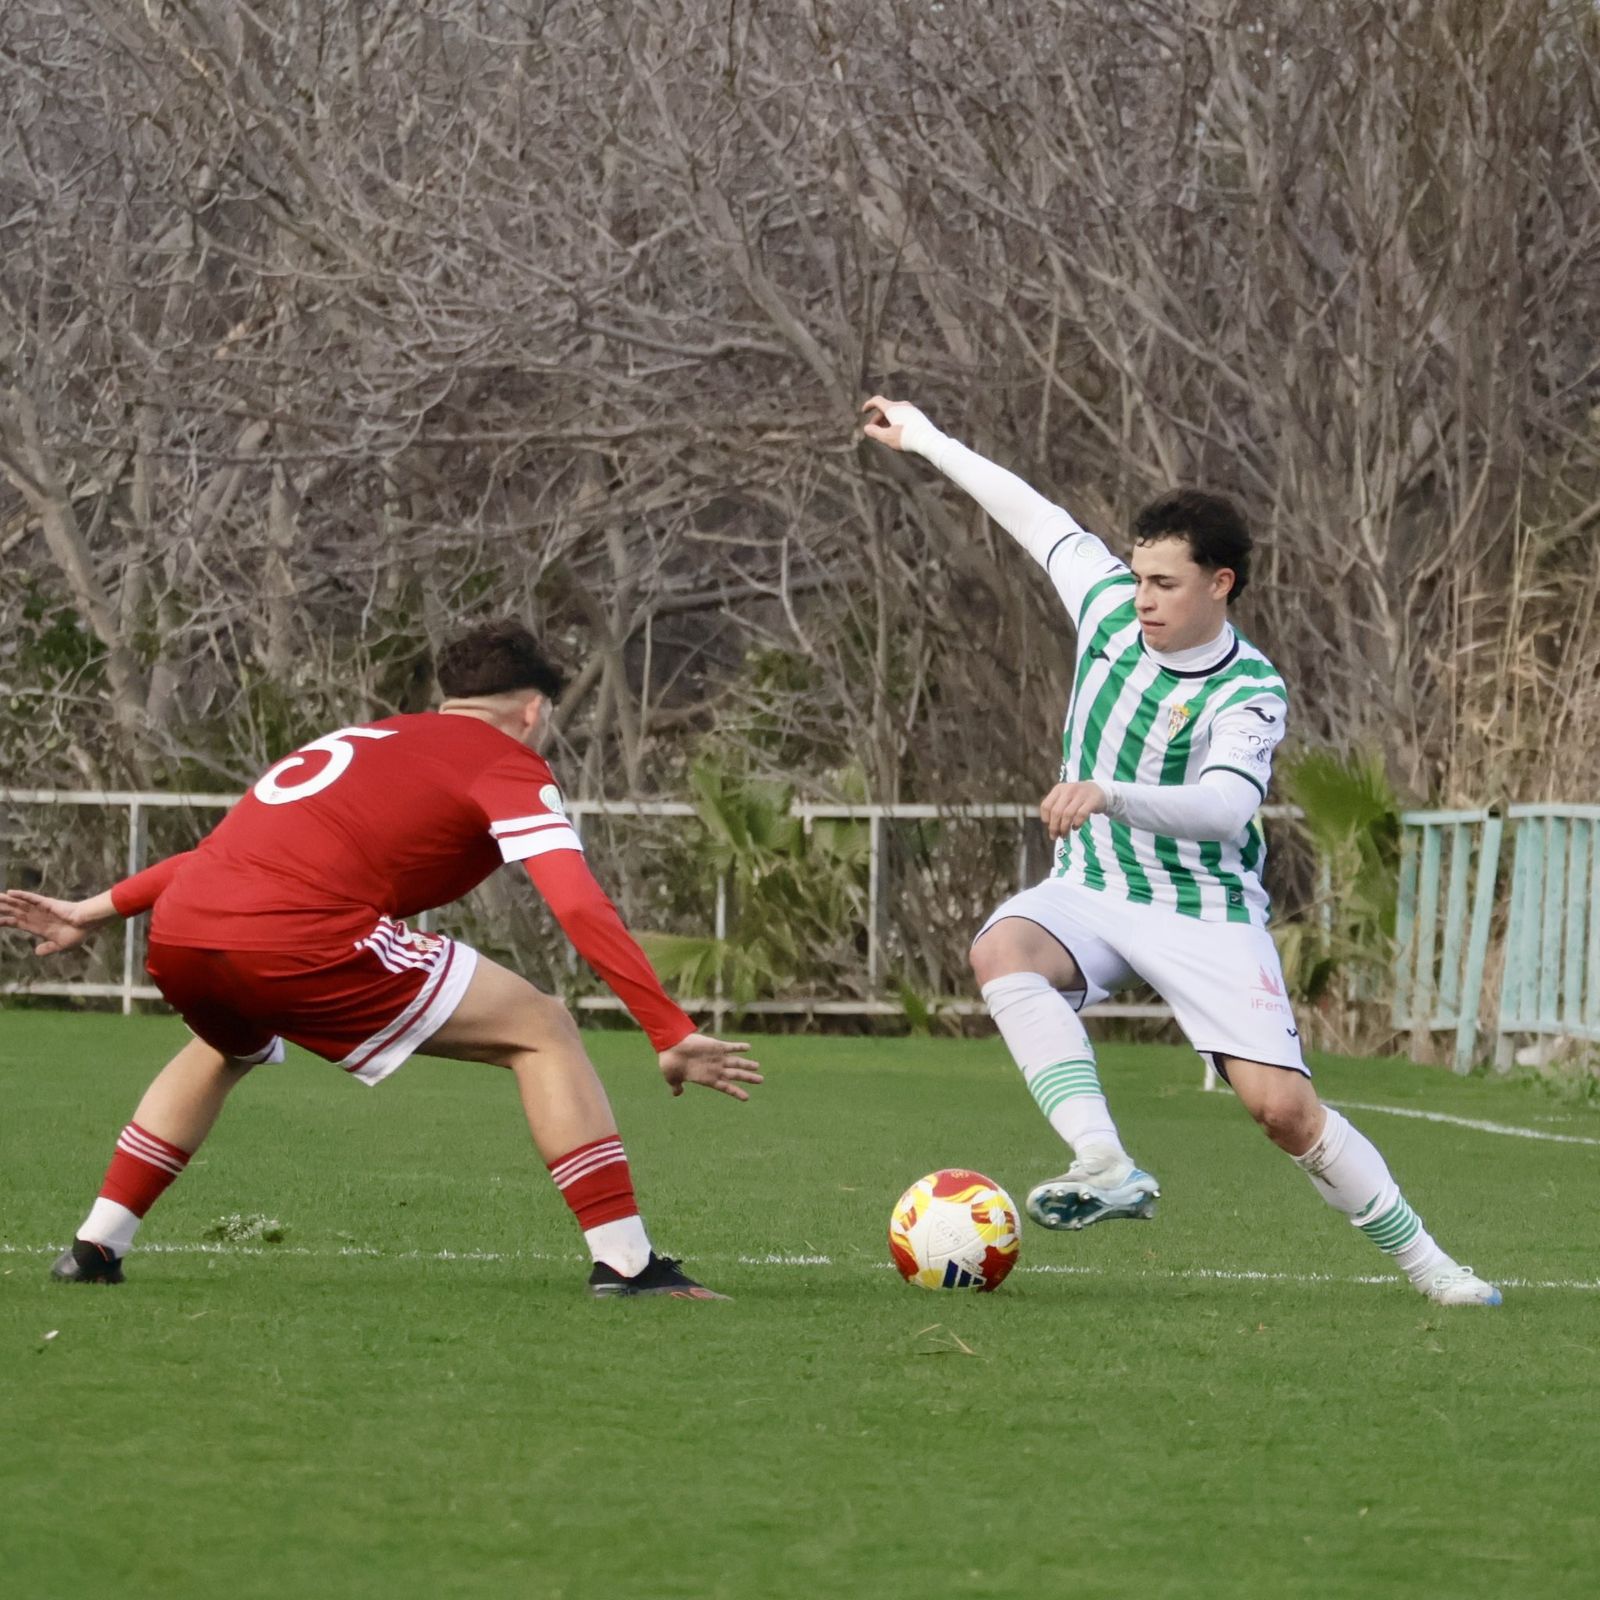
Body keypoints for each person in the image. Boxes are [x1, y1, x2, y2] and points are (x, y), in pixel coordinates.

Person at [861, 395, 1500, 1307]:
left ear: (1220, 584)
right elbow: (1030, 513)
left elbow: (1224, 807)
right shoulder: (1106, 608)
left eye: (1164, 583)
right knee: (1001, 950)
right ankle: (1103, 1160)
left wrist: (1109, 793)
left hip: (1201, 909)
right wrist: (923, 437)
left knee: (1283, 1112)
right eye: (1137, 577)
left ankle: (1432, 1266)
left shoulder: (1250, 689)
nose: (1142, 598)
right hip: (1092, 887)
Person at [0, 621, 761, 1299]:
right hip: (299, 932)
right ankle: (627, 1265)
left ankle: (97, 1246)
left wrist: (92, 911)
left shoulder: (365, 740)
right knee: (543, 1028)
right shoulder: (505, 761)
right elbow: (579, 905)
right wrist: (667, 1029)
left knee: (221, 1047)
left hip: (182, 929)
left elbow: (218, 856)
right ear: (533, 711)